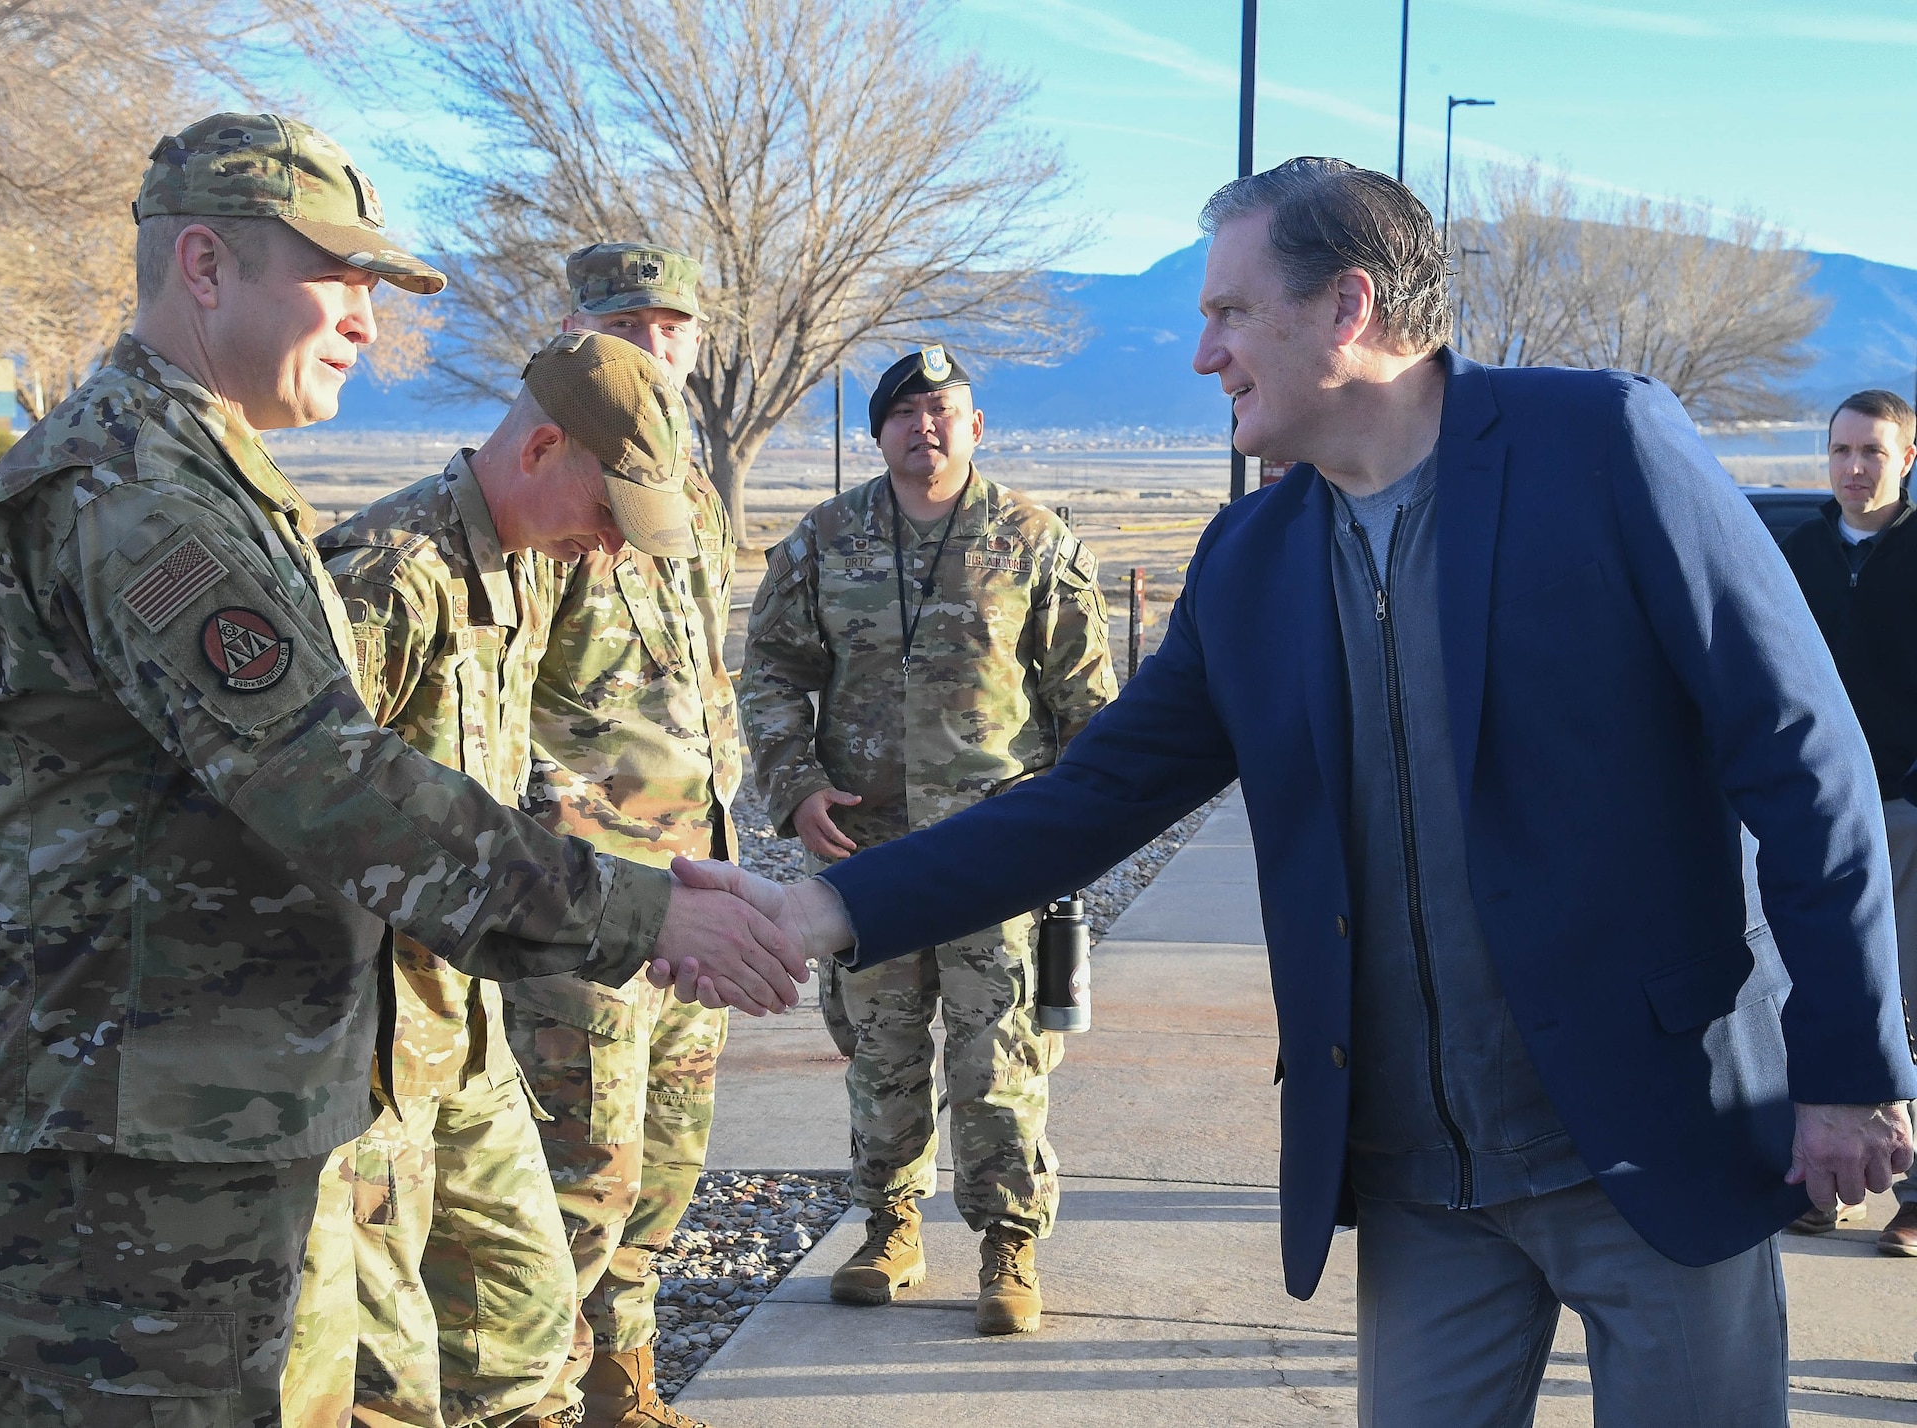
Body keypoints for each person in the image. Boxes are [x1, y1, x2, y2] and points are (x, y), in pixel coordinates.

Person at [676, 158, 1917, 1424]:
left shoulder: (1598, 445)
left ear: (1347, 307)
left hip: (1651, 1136)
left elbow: (1801, 753)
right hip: (1415, 1175)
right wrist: (819, 912)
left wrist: (1846, 1067)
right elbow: (1082, 802)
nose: (1203, 353)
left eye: (1225, 312)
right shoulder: (1252, 560)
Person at [0, 112, 801, 1428]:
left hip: (206, 1101)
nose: (366, 324)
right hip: (128, 1125)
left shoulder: (210, 480)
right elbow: (328, 782)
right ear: (207, 267)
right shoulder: (134, 492)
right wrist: (639, 914)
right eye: (340, 282)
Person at [284, 332, 696, 1425]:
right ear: (544, 445)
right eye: (605, 514)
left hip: (456, 1030)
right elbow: (294, 819)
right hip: (362, 1055)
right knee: (385, 1387)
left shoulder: (519, 571)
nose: (607, 550)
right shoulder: (387, 578)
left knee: (524, 1323)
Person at [737, 345, 1116, 1336]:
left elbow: (1089, 705)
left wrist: (1079, 838)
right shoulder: (825, 540)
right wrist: (794, 786)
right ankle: (888, 1228)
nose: (924, 426)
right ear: (880, 433)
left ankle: (1007, 1245)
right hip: (865, 857)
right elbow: (770, 671)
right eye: (902, 412)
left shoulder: (1031, 539)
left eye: (942, 409)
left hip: (999, 854)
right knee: (880, 1051)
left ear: (976, 426)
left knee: (999, 1054)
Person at [501, 244, 739, 1428]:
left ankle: (621, 1378)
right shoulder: (553, 487)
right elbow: (496, 706)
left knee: (666, 1159)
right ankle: (540, 1393)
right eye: (626, 323)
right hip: (585, 892)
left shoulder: (685, 493)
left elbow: (702, 673)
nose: (656, 344)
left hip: (689, 872)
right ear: (572, 331)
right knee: (578, 1172)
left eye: (674, 326)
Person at [1778, 388, 1917, 1251]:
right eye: (1841, 452)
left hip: (1905, 811)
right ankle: (1829, 1185)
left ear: (1908, 459)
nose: (1855, 468)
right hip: (1816, 813)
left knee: (1906, 999)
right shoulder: (1798, 554)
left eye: (1873, 451)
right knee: (1816, 989)